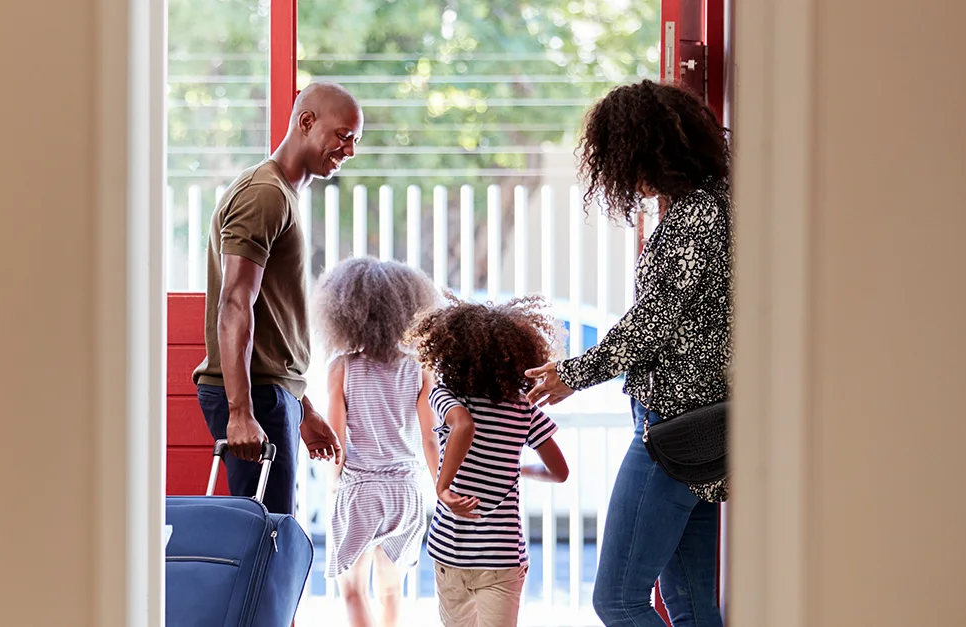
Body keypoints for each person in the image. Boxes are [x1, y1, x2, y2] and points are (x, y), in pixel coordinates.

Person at [525, 80, 732, 627]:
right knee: (691, 606)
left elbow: (655, 322)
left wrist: (574, 373)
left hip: (675, 430)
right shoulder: (715, 207)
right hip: (701, 426)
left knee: (616, 599)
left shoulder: (697, 217)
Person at [191, 82, 363, 514]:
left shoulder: (281, 194)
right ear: (307, 122)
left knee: (272, 539)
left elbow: (271, 325)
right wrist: (241, 412)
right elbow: (234, 304)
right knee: (263, 546)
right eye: (343, 136)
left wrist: (302, 410)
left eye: (355, 141)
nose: (349, 151)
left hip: (271, 393)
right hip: (255, 398)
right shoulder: (263, 194)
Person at [408, 296, 570, 627]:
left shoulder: (445, 395)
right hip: (502, 556)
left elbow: (463, 424)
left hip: (450, 551)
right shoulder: (523, 408)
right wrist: (519, 468)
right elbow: (560, 472)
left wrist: (443, 488)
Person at [312, 257, 443, 627]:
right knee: (391, 591)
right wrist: (441, 489)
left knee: (352, 591)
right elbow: (430, 441)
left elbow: (335, 444)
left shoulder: (341, 368)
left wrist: (334, 488)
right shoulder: (419, 367)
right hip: (406, 491)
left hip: (360, 491)